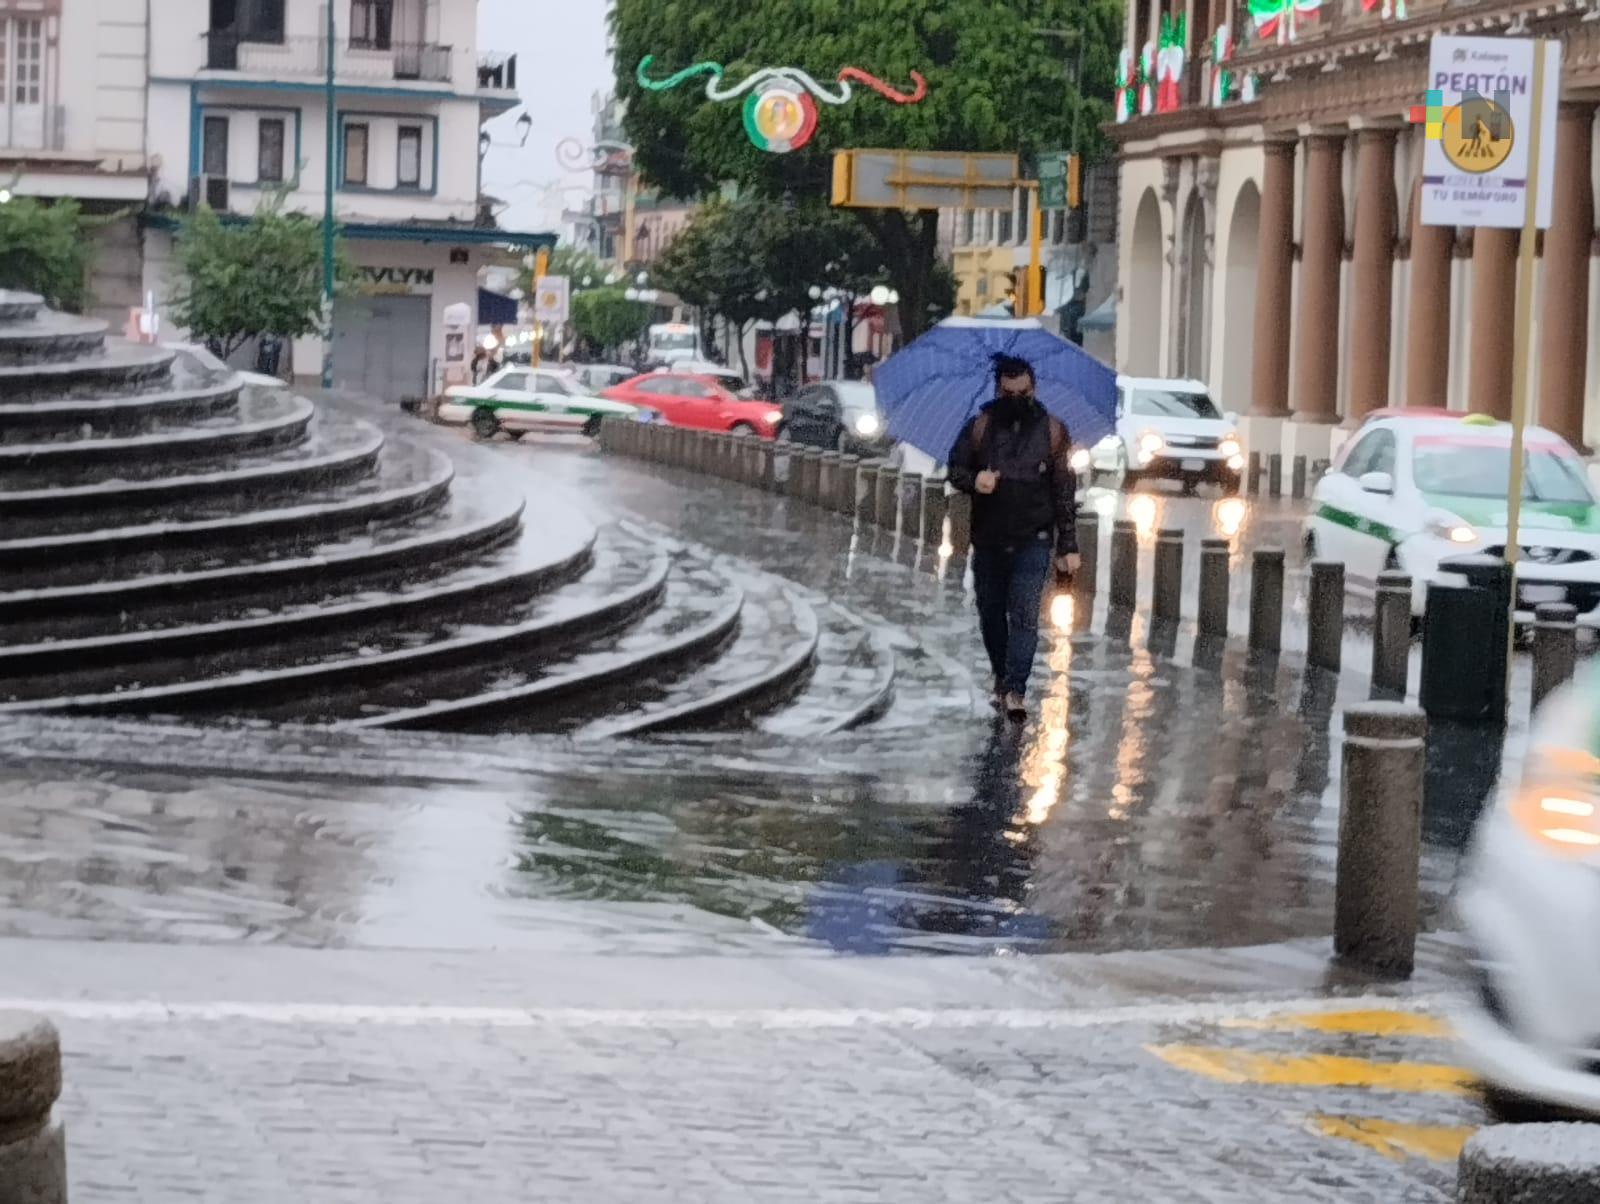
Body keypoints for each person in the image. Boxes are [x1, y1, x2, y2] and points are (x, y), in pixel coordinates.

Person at [947, 354, 1080, 720]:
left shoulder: (1053, 430)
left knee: (1023, 614)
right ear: (998, 389)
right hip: (989, 538)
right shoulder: (980, 427)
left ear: (1033, 389)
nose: (1016, 398)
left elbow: (1064, 489)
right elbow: (955, 468)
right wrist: (975, 480)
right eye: (1008, 392)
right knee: (991, 613)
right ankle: (1002, 677)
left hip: (1033, 538)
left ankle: (1016, 689)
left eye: (1022, 391)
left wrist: (1068, 544)